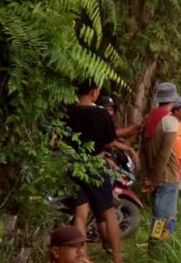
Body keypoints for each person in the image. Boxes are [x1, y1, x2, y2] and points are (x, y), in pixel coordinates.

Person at [65, 82, 122, 263]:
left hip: (76, 167)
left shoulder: (68, 112)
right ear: (93, 92)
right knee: (108, 212)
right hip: (96, 166)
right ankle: (117, 256)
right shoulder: (101, 114)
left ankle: (82, 257)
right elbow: (110, 143)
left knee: (80, 214)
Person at [140, 82, 180, 244]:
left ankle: (155, 247)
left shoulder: (149, 119)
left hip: (152, 176)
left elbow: (142, 151)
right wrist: (154, 180)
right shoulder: (170, 122)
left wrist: (147, 177)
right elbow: (164, 155)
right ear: (173, 100)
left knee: (158, 217)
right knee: (167, 218)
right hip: (167, 177)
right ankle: (160, 248)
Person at [96, 96, 140, 172]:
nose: (109, 112)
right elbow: (115, 135)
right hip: (100, 157)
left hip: (111, 156)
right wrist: (134, 127)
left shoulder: (111, 122)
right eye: (107, 109)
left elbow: (122, 136)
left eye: (111, 110)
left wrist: (139, 129)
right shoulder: (98, 121)